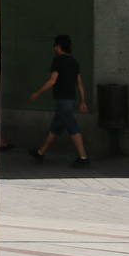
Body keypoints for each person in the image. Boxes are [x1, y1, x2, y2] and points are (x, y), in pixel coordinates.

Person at [29, 34, 90, 167]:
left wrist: (37, 93)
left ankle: (83, 157)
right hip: (70, 99)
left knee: (72, 126)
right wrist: (82, 101)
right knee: (56, 128)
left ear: (58, 47)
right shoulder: (74, 62)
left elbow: (52, 80)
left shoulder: (58, 60)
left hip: (62, 100)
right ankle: (40, 152)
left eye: (55, 45)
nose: (54, 48)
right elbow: (79, 83)